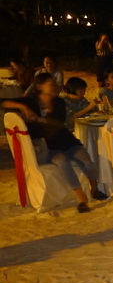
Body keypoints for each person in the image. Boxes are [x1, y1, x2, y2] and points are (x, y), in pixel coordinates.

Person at [1, 72, 107, 212]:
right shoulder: (31, 102)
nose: (55, 86)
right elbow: (2, 102)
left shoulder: (58, 102)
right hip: (49, 146)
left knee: (87, 163)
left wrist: (38, 119)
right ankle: (81, 197)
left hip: (66, 141)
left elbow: (58, 123)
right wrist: (22, 107)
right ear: (39, 86)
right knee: (62, 162)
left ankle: (94, 188)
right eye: (51, 84)